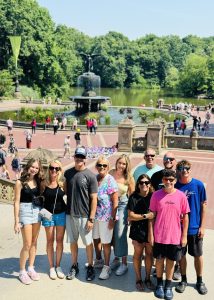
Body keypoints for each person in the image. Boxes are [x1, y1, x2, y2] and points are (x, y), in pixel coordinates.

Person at [149, 169, 190, 300]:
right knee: (160, 261)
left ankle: (168, 286)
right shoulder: (155, 195)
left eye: (171, 180)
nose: (168, 182)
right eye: (166, 179)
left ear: (175, 181)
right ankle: (159, 284)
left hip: (174, 236)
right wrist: (151, 234)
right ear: (162, 180)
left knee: (171, 262)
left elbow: (186, 216)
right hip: (159, 235)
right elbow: (152, 217)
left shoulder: (181, 196)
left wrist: (184, 236)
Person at [64, 146, 98, 281]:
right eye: (77, 156)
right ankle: (74, 265)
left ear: (85, 159)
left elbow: (94, 198)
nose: (79, 159)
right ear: (74, 157)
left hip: (85, 216)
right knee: (73, 242)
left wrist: (91, 218)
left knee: (88, 243)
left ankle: (90, 266)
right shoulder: (68, 173)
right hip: (70, 214)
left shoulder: (90, 176)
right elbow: (66, 191)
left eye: (82, 157)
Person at [175, 160, 208, 295]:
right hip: (179, 228)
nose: (185, 171)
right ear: (178, 171)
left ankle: (200, 281)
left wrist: (203, 226)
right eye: (182, 168)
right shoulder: (175, 186)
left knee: (198, 255)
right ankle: (183, 279)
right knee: (181, 256)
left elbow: (203, 206)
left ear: (190, 169)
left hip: (194, 227)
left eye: (187, 168)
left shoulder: (199, 185)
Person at [14, 158, 44, 285]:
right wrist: (16, 221)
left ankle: (31, 268)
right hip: (25, 212)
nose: (34, 169)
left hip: (37, 212)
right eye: (32, 167)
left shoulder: (38, 181)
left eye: (37, 168)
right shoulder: (19, 182)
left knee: (34, 242)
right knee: (26, 244)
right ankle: (22, 271)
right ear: (28, 167)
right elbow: (16, 202)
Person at [127, 174, 155, 291]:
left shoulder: (154, 196)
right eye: (142, 182)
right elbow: (130, 216)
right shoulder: (133, 197)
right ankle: (138, 279)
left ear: (150, 184)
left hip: (151, 230)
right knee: (138, 255)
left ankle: (148, 278)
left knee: (149, 254)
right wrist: (145, 216)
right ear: (138, 184)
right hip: (137, 230)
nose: (144, 184)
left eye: (146, 182)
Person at [93, 156, 118, 280]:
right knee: (96, 239)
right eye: (99, 165)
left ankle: (106, 266)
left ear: (108, 167)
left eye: (104, 165)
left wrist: (113, 219)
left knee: (106, 242)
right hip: (95, 215)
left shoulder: (110, 180)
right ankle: (98, 260)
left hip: (106, 216)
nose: (101, 167)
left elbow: (115, 201)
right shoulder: (95, 178)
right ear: (96, 167)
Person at [109, 154, 135, 275]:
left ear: (126, 165)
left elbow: (133, 197)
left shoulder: (129, 177)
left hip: (122, 206)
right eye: (120, 162)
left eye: (124, 164)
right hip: (108, 205)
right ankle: (116, 258)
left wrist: (130, 214)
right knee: (112, 233)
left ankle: (124, 263)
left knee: (120, 233)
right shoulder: (111, 172)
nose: (121, 165)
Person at [41, 160, 67, 280]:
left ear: (60, 170)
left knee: (59, 241)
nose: (54, 171)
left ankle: (58, 266)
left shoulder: (63, 183)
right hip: (48, 215)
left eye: (57, 168)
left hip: (61, 214)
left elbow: (67, 197)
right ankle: (51, 267)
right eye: (52, 168)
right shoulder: (44, 183)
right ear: (49, 169)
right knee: (50, 241)